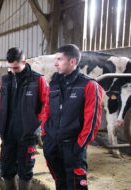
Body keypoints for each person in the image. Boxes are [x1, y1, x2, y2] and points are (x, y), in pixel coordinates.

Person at [42, 44, 103, 190]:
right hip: (53, 145)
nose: (55, 63)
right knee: (60, 183)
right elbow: (47, 111)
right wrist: (45, 136)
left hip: (73, 146)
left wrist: (79, 146)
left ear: (73, 61)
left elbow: (92, 121)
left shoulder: (89, 85)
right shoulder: (54, 84)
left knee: (76, 185)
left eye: (59, 59)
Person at [0, 47, 49, 190]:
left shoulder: (37, 80)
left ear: (24, 62)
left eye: (15, 67)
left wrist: (36, 123)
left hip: (27, 134)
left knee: (25, 170)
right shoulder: (5, 79)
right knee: (6, 169)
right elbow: (1, 102)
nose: (12, 71)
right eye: (10, 67)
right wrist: (0, 123)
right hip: (8, 133)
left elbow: (46, 103)